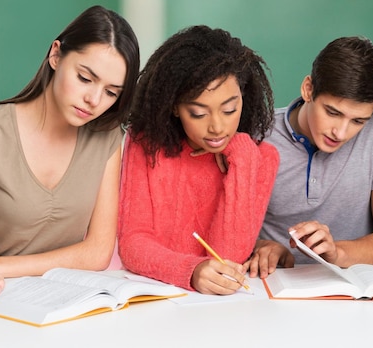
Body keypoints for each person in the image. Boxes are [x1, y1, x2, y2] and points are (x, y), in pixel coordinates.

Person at [0, 5, 140, 306]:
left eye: (111, 93)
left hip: (60, 304)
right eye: (85, 78)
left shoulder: (106, 138)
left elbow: (97, 252)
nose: (94, 100)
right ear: (56, 55)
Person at [117, 25, 279, 295]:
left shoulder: (259, 158)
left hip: (220, 313)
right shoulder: (146, 144)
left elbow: (229, 256)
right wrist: (190, 270)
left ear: (244, 96)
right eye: (198, 113)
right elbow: (133, 243)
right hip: (151, 301)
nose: (217, 127)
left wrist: (242, 161)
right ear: (174, 107)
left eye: (229, 109)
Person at [248, 36, 373, 278]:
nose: (341, 132)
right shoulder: (256, 135)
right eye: (332, 112)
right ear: (308, 89)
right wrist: (257, 246)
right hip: (270, 283)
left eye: (358, 121)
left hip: (349, 284)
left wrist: (338, 253)